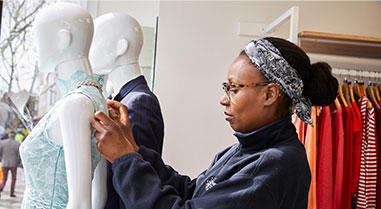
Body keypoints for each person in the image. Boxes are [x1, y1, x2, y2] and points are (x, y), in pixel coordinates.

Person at [91, 37, 339, 209]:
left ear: (270, 95)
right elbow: (189, 192)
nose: (223, 99)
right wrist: (134, 149)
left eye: (233, 88)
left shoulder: (274, 164)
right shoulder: (245, 149)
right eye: (226, 88)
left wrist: (125, 160)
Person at [19, 3, 107, 209]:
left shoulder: (75, 105)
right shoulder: (94, 97)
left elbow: (82, 203)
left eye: (39, 38)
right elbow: (99, 196)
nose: (36, 48)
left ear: (62, 39)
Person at [89, 12, 165, 209]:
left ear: (120, 47)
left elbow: (135, 186)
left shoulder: (139, 103)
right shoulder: (118, 99)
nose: (89, 49)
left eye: (95, 40)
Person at [0, 131, 20, 197]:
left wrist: (1, 159)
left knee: (3, 178)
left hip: (4, 163)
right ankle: (11, 193)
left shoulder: (2, 143)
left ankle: (1, 188)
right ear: (15, 136)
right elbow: (18, 155)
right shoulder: (17, 144)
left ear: (9, 135)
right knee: (13, 179)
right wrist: (18, 162)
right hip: (13, 164)